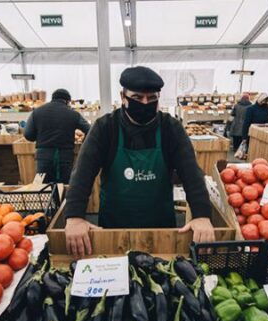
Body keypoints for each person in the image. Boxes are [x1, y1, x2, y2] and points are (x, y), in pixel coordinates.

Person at [63, 66, 215, 257]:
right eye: (137, 98)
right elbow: (82, 173)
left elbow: (191, 173)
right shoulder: (105, 127)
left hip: (160, 227)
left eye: (152, 99)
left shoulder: (171, 127)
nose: (145, 104)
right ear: (123, 96)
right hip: (114, 226)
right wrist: (74, 217)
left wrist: (202, 215)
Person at [24, 89, 90, 184]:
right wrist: (83, 142)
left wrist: (40, 137)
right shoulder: (73, 114)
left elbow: (28, 135)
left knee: (43, 188)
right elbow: (90, 130)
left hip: (43, 157)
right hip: (64, 157)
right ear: (67, 101)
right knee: (64, 187)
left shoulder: (37, 112)